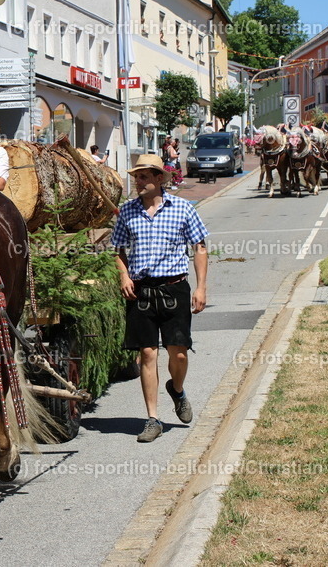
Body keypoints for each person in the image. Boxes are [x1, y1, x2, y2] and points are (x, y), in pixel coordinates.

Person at [111, 154, 208, 443]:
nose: (137, 181)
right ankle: (153, 419)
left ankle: (176, 389)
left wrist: (201, 288)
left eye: (142, 176)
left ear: (157, 179)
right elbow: (117, 249)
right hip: (141, 291)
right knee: (147, 353)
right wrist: (124, 276)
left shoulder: (182, 209)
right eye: (136, 176)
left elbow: (200, 247)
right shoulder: (127, 212)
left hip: (174, 288)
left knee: (178, 352)